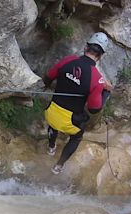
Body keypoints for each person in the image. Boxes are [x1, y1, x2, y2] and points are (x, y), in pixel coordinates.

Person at [43, 32, 113, 175]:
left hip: (51, 112)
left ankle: (51, 147)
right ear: (101, 56)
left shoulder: (67, 60)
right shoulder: (97, 79)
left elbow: (47, 79)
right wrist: (106, 92)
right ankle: (58, 165)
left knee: (53, 121)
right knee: (76, 137)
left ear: (85, 47)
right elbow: (94, 109)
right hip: (69, 122)